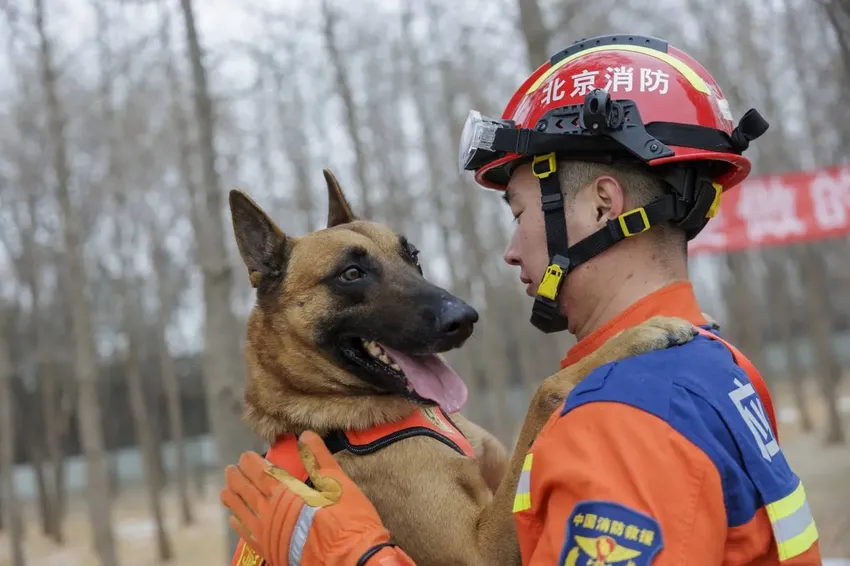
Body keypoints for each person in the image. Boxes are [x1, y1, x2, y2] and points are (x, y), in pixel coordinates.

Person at [221, 34, 822, 565]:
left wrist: (363, 558)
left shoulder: (617, 420)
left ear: (603, 206)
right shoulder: (718, 362)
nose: (510, 249)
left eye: (519, 212)